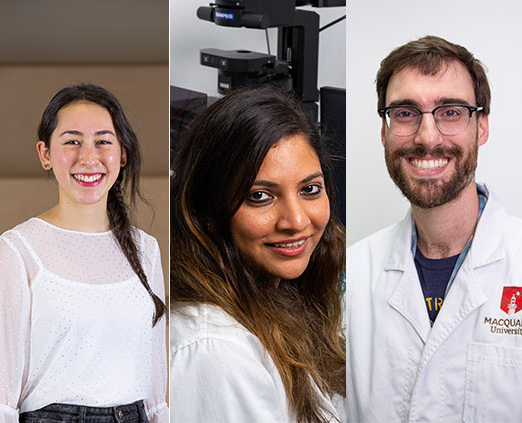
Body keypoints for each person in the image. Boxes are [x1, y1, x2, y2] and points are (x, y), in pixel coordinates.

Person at [347, 35, 522, 422]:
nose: (427, 137)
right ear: (384, 132)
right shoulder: (353, 273)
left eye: (451, 111)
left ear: (482, 128)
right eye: (406, 113)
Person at [0, 84, 168, 423]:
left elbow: (156, 395)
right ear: (45, 154)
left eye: (103, 142)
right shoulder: (15, 251)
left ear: (123, 153)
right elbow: (0, 397)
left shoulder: (147, 250)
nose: (89, 158)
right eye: (72, 141)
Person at [170, 86, 345, 423]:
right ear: (208, 207)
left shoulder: (276, 294)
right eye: (260, 196)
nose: (296, 221)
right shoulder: (215, 352)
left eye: (310, 190)